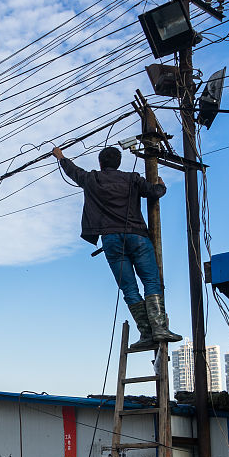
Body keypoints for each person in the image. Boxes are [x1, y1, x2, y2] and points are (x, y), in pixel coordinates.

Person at [52, 145, 182, 349]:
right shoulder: (132, 178)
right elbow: (153, 192)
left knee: (129, 287)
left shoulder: (91, 179)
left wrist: (60, 156)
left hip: (111, 239)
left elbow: (73, 171)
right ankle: (159, 329)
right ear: (118, 163)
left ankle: (146, 333)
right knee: (151, 280)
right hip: (136, 235)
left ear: (101, 163)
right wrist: (161, 186)